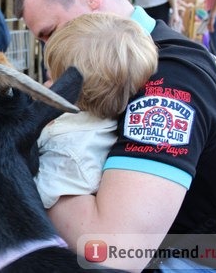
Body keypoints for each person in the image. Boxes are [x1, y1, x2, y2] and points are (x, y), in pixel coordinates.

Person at [15, 0, 216, 271]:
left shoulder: (170, 84)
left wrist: (25, 160)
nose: (49, 56)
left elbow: (113, 250)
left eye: (52, 33)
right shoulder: (155, 51)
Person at [35, 12, 158, 211]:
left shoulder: (67, 152)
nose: (47, 80)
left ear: (71, 90)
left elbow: (35, 197)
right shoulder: (101, 124)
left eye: (54, 78)